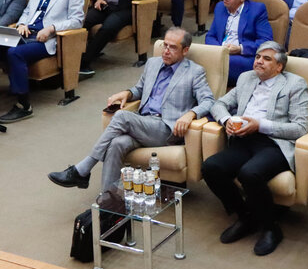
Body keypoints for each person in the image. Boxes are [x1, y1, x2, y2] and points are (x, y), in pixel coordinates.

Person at [48, 27, 215, 193]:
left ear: (185, 50)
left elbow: (208, 101)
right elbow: (140, 89)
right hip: (143, 123)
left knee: (122, 117)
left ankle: (82, 170)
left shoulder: (194, 72)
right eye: (165, 45)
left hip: (166, 128)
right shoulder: (153, 63)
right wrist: (127, 93)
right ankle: (109, 201)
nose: (166, 51)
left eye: (172, 47)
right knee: (117, 144)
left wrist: (191, 114)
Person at [202, 42, 308, 256]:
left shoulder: (295, 84)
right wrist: (226, 120)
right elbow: (218, 104)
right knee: (210, 167)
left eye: (266, 59)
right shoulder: (246, 78)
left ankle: (271, 228)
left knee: (250, 173)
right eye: (258, 57)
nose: (259, 61)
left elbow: (300, 128)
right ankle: (245, 217)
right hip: (243, 140)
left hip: (274, 143)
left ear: (279, 67)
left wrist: (260, 125)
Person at [0, 0, 86, 122]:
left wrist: (52, 28)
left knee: (15, 53)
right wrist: (22, 24)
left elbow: (77, 21)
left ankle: (24, 106)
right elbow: (27, 11)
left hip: (48, 39)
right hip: (26, 32)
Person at [205, 0, 273, 83]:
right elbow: (210, 36)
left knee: (214, 64)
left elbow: (266, 42)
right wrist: (220, 50)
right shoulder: (220, 7)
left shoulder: (257, 10)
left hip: (243, 57)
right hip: (219, 53)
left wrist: (240, 48)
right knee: (194, 56)